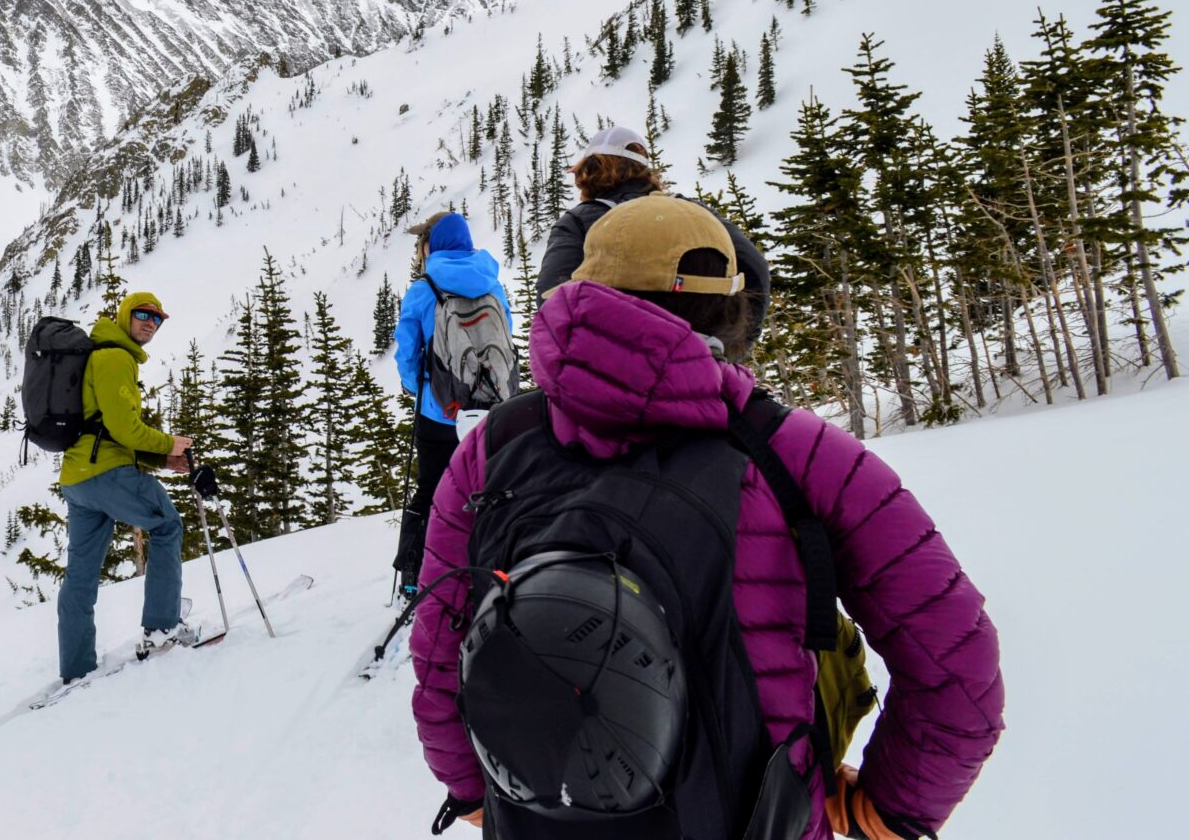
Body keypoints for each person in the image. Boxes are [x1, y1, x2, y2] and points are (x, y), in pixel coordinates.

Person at [410, 196, 1003, 837]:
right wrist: (890, 808)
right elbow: (956, 665)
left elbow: (441, 644)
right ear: (727, 309)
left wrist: (471, 787)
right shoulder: (791, 452)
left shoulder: (492, 447)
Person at [57, 291, 198, 683]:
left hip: (79, 478)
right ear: (125, 315)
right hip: (106, 473)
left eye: (157, 319)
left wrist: (160, 460)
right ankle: (162, 631)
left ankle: (75, 666)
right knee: (167, 526)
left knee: (81, 575)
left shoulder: (102, 354)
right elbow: (124, 429)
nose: (150, 323)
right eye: (142, 315)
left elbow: (105, 430)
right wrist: (170, 444)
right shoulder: (115, 357)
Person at [538, 124, 770, 352]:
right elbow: (755, 268)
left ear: (588, 172)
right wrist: (735, 348)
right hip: (701, 361)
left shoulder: (579, 221)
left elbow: (552, 302)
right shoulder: (692, 211)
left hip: (621, 364)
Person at [391, 210, 510, 598]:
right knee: (486, 486)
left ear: (433, 246)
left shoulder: (424, 288)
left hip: (440, 411)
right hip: (489, 410)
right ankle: (494, 564)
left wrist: (417, 389)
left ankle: (414, 573)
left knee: (432, 488)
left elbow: (408, 352)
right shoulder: (493, 283)